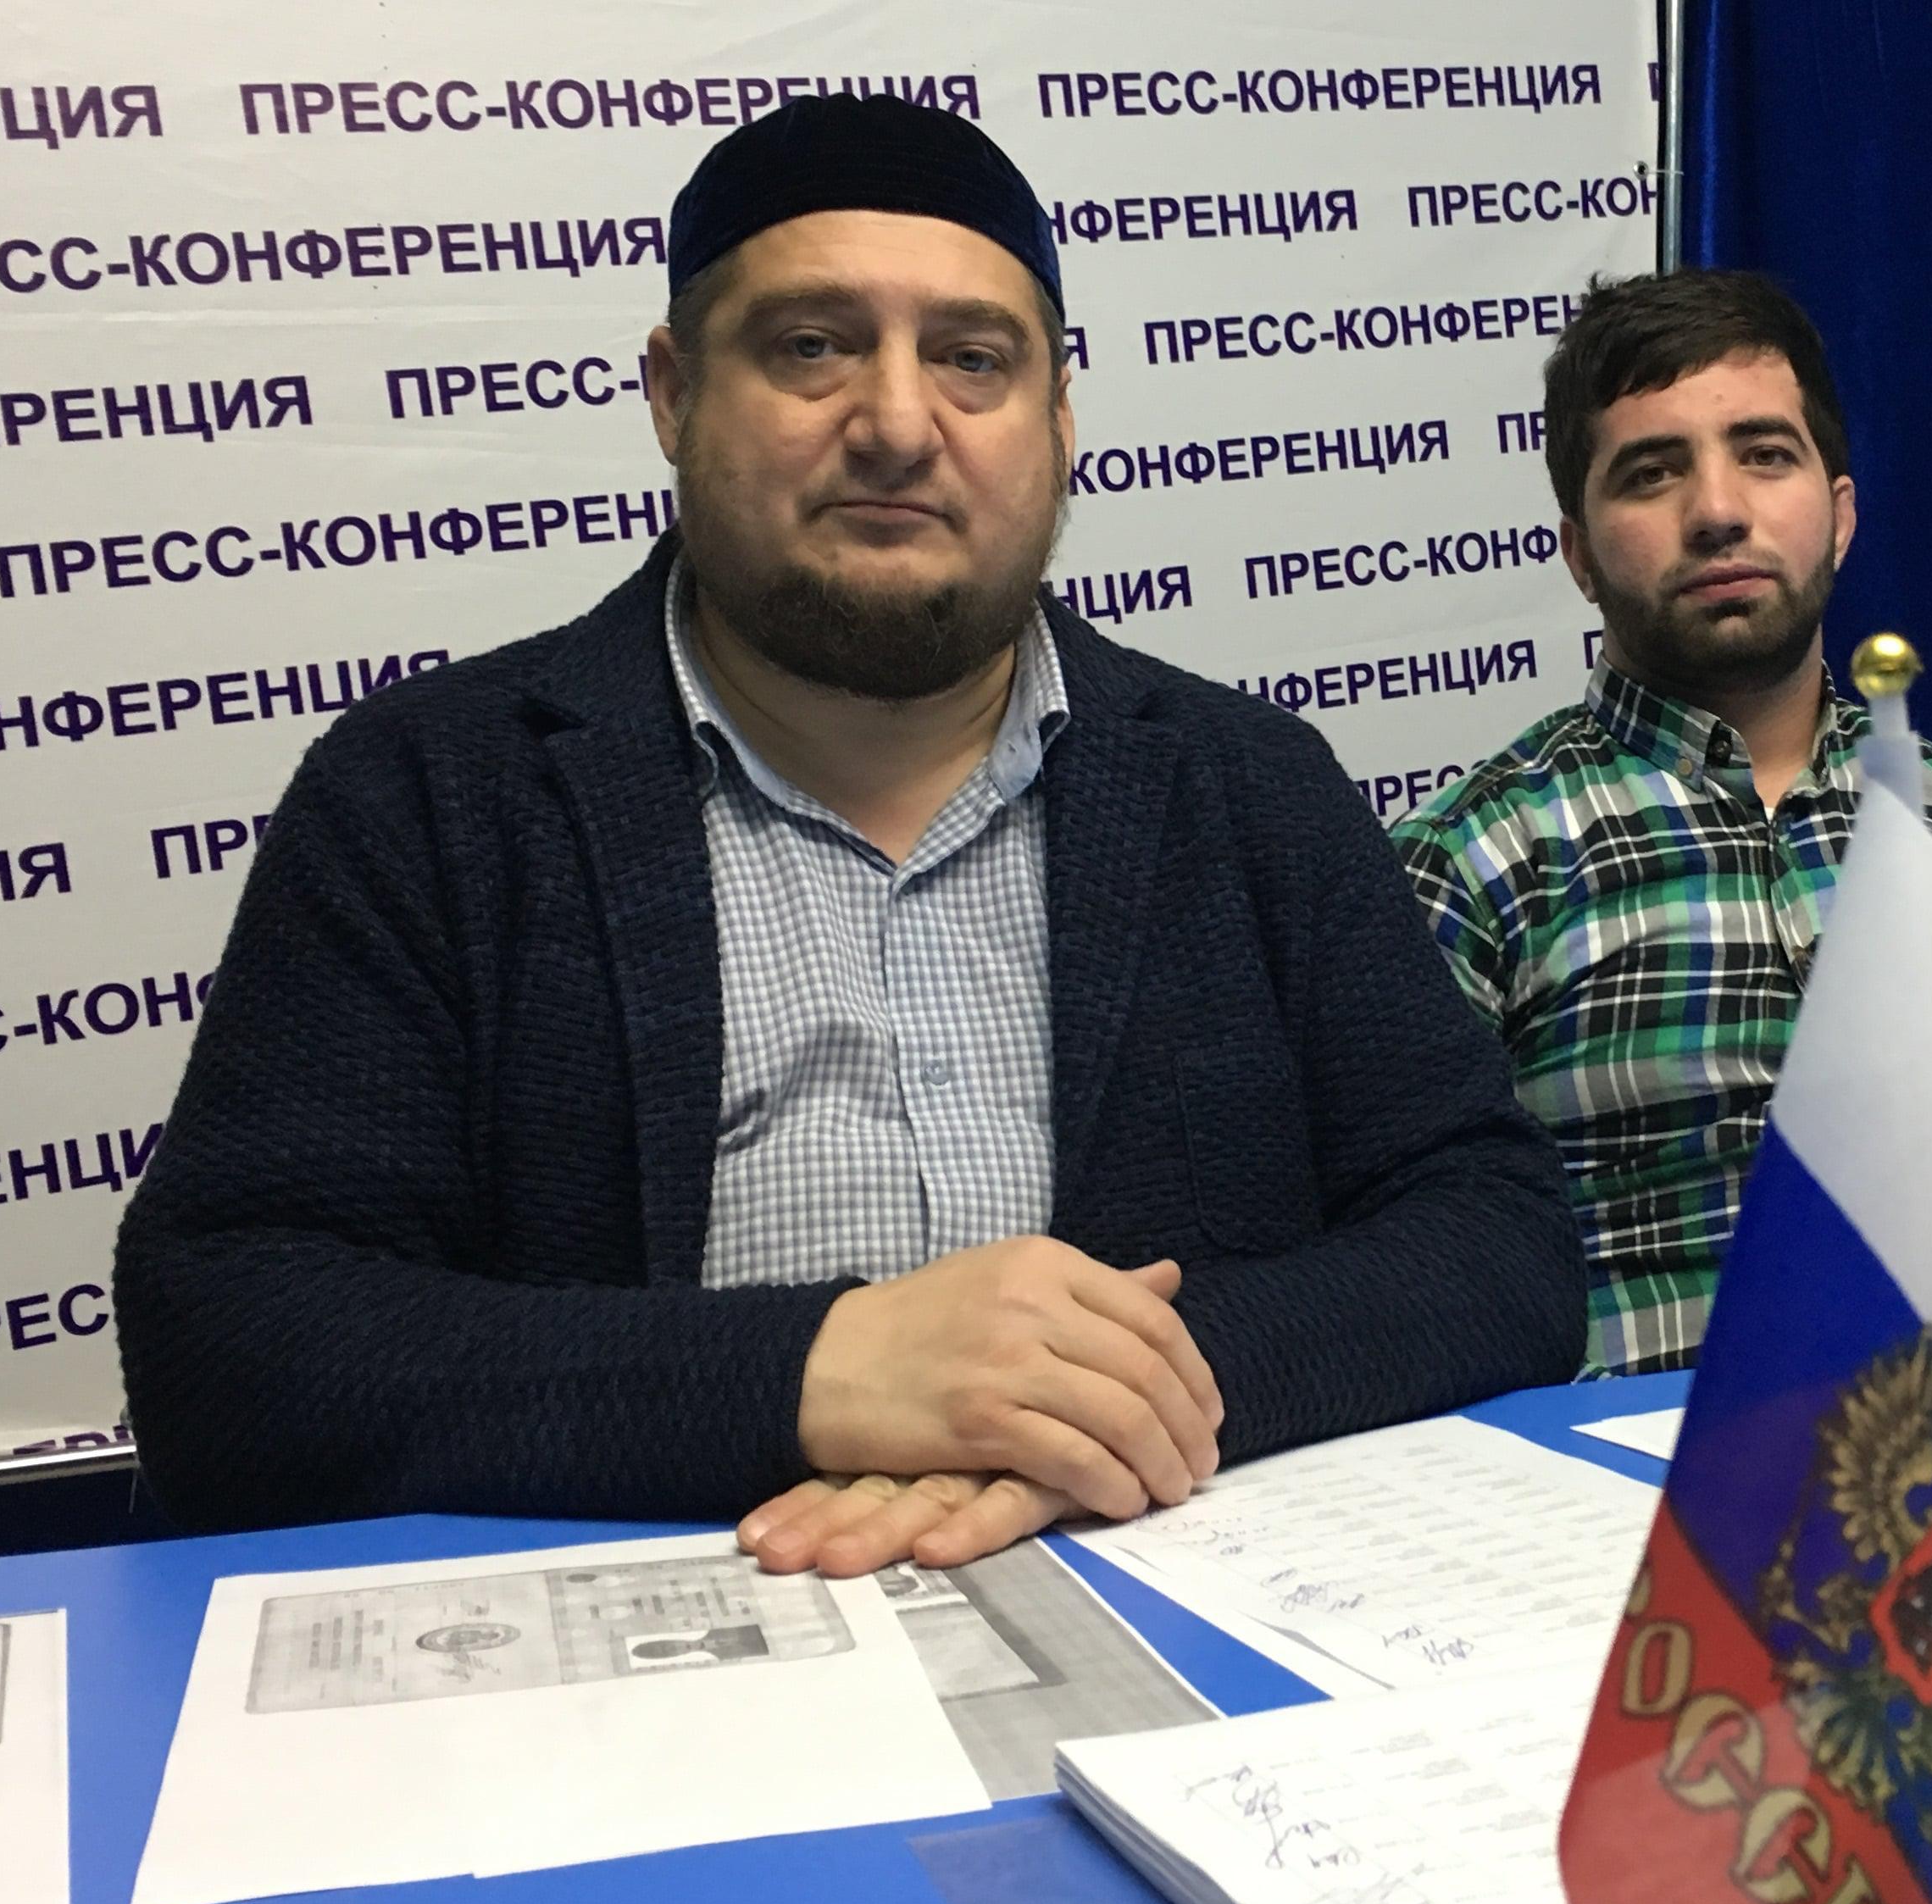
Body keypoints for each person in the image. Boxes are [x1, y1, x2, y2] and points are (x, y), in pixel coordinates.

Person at [114, 95, 1585, 1574]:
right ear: (675, 395)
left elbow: (1499, 1238)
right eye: (813, 346)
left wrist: (1093, 1397)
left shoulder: (1248, 785)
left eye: (974, 359)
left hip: (1175, 1602)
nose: (895, 424)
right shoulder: (432, 795)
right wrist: (818, 1370)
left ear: (1060, 419)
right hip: (661, 1633)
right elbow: (231, 1340)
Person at [1394, 269, 1932, 1376]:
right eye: (1652, 472)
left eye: (1765, 455)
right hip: (1621, 1465)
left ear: (1841, 516)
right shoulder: (1471, 869)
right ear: (1579, 556)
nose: (1718, 511)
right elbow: (1399, 1271)